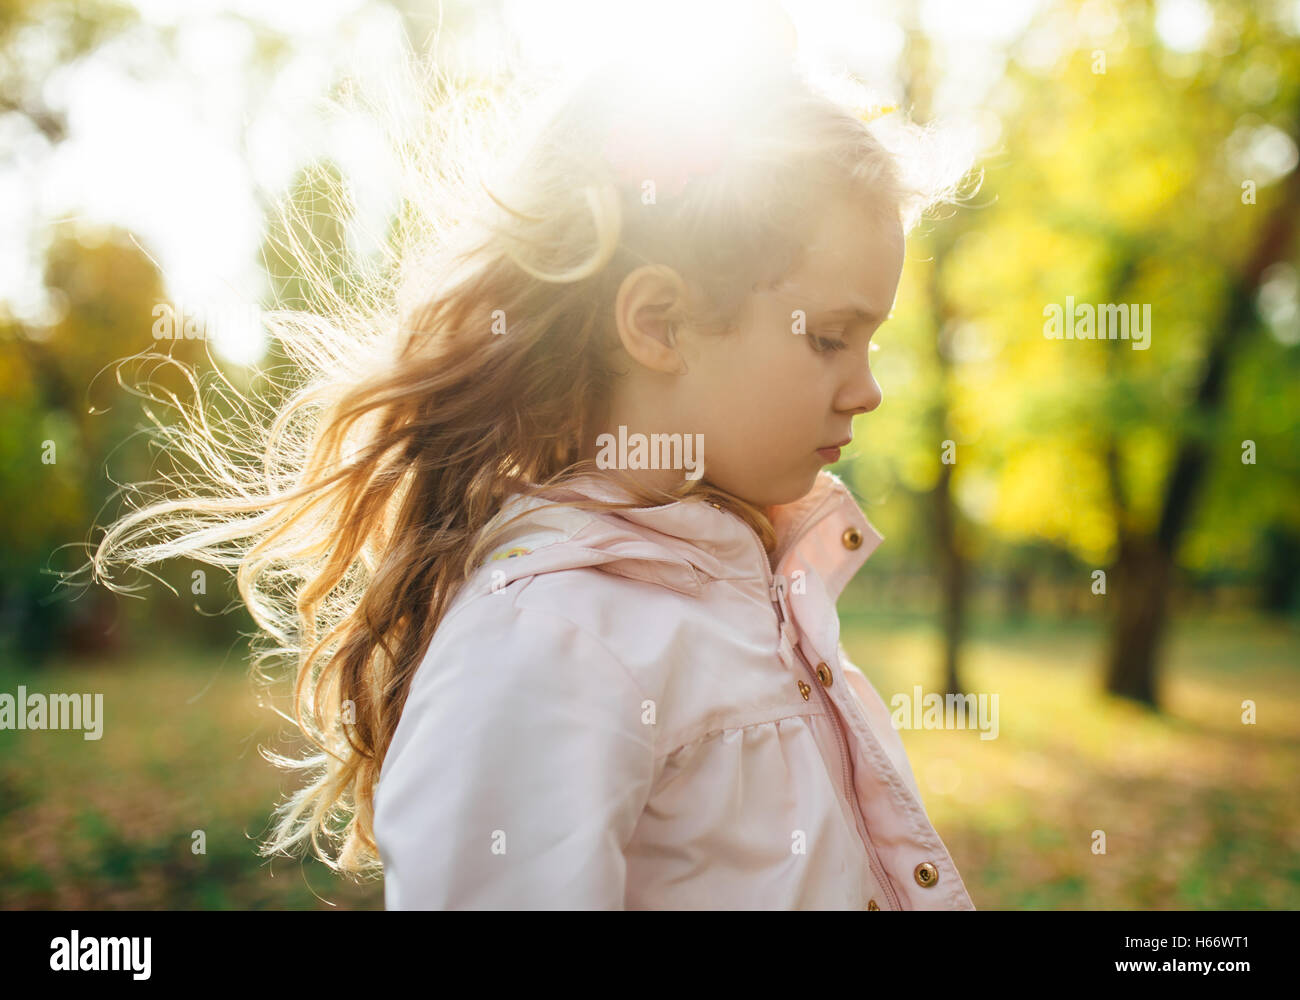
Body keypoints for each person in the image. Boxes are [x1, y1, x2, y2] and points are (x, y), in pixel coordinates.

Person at [93, 27, 978, 909]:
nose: (867, 390)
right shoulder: (553, 640)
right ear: (661, 324)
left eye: (871, 340)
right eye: (829, 338)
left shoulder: (750, 587)